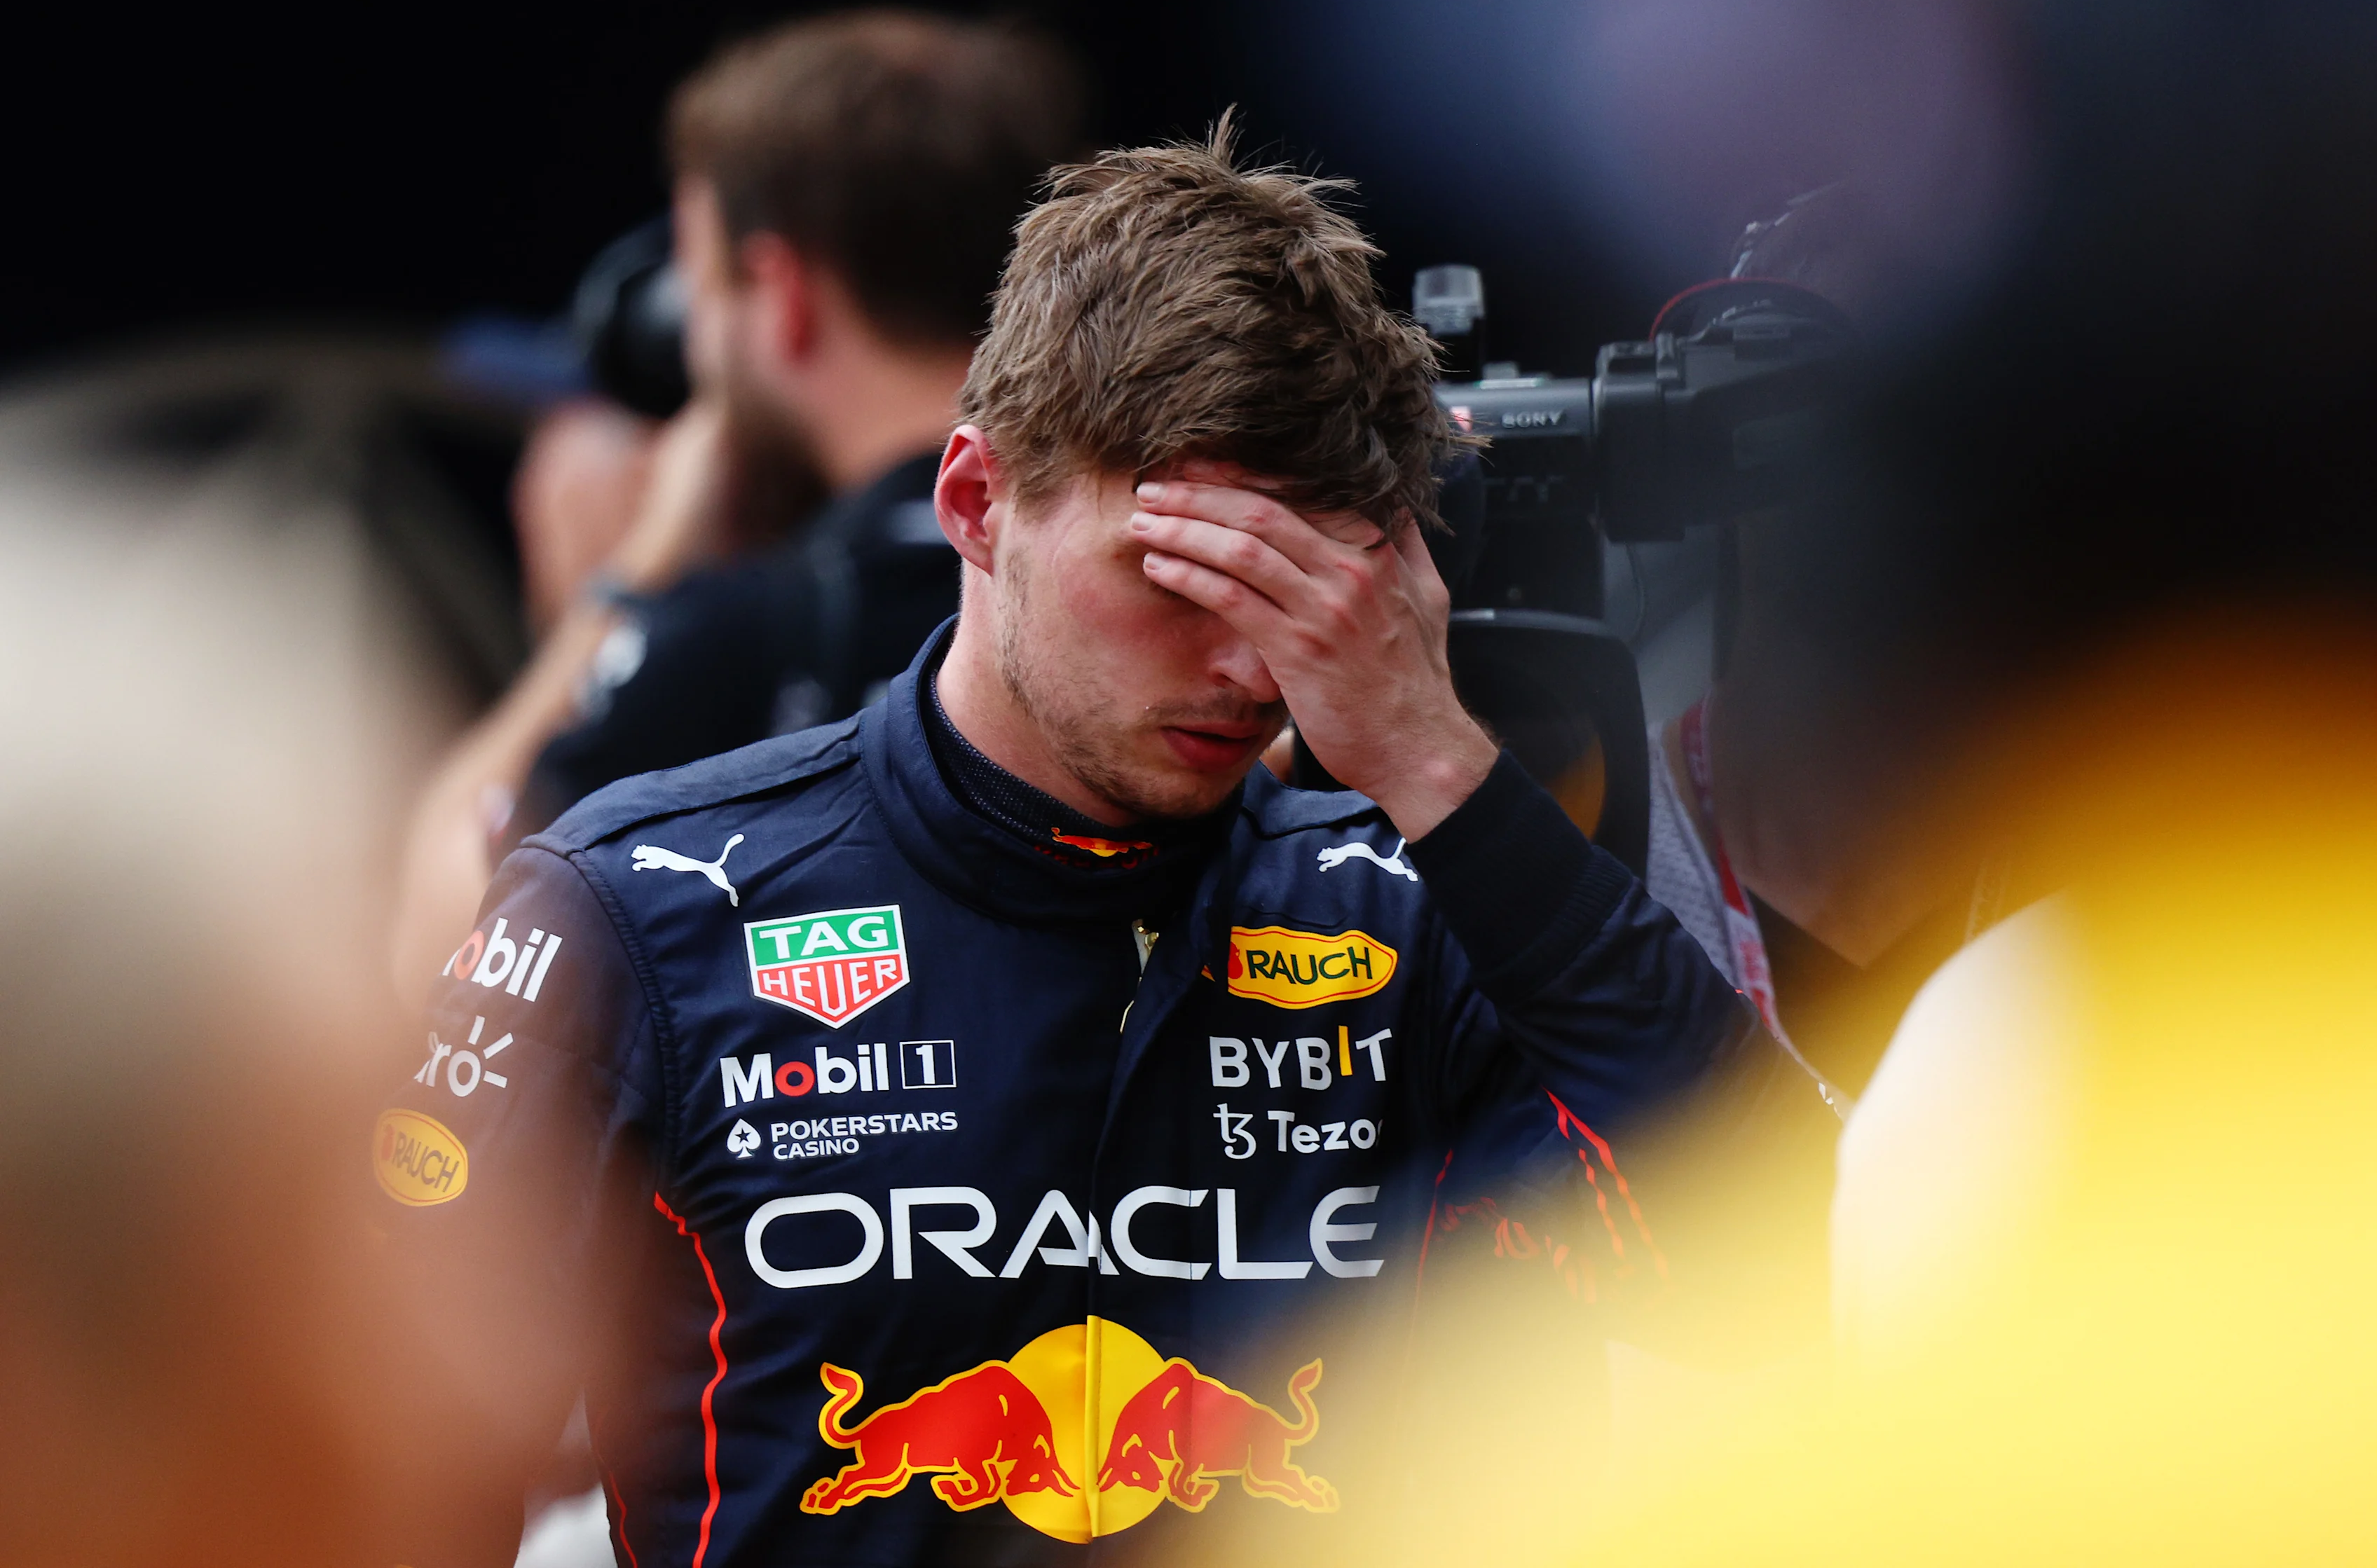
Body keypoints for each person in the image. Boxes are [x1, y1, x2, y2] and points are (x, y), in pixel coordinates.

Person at [372, 125, 1768, 1565]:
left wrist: (1435, 760)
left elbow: (1767, 1280)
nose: (1246, 667)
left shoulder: (1422, 909)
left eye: (1300, 595)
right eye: (1178, 580)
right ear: (977, 503)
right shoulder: (638, 906)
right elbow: (375, 1462)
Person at [390, 11, 1085, 993]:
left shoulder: (746, 633)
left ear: (783, 293)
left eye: (700, 286)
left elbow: (442, 953)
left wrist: (623, 592)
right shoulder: (1148, 548)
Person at [1639, 183, 2001, 1114]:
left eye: (1906, 430)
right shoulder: (1566, 836)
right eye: (1775, 414)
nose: (1846, 488)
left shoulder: (2138, 844)